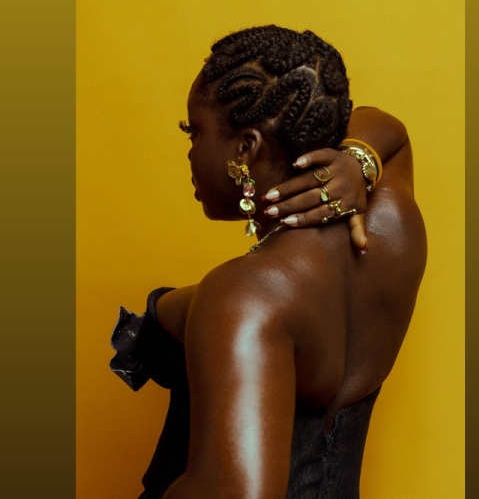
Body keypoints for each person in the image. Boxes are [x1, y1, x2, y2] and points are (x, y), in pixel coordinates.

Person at [110, 25, 427, 498]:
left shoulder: (244, 297)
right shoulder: (392, 226)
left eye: (194, 131)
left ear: (246, 147)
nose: (191, 152)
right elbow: (390, 131)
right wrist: (356, 159)